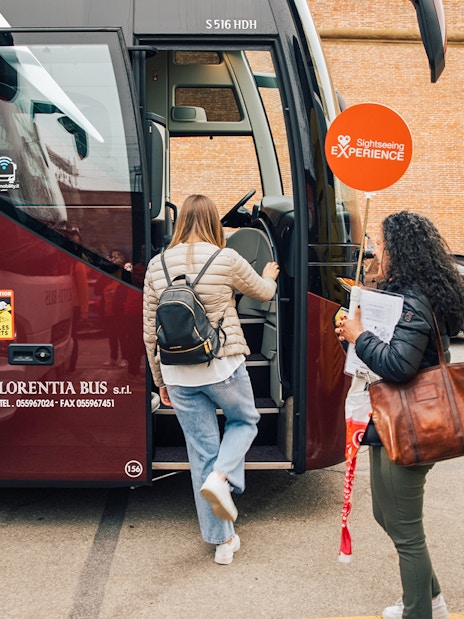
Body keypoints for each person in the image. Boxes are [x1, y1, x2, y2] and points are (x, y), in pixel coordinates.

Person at [335, 211, 464, 619]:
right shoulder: (407, 293)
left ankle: (420, 612)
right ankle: (432, 601)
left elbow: (400, 365)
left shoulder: (413, 300)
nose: (377, 251)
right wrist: (351, 339)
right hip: (390, 420)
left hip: (413, 424)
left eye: (383, 245)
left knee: (406, 531)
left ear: (401, 250)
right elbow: (377, 361)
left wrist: (360, 336)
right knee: (385, 515)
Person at [143, 194, 279, 565]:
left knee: (201, 450)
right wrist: (269, 276)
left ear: (180, 222)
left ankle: (223, 543)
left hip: (177, 371)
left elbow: (149, 333)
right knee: (245, 420)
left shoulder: (157, 265)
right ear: (213, 223)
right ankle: (222, 477)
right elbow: (264, 294)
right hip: (222, 365)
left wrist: (160, 382)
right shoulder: (226, 258)